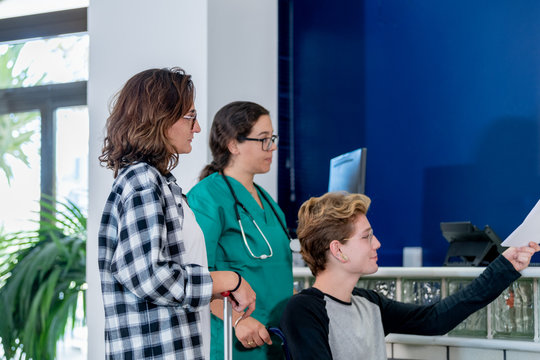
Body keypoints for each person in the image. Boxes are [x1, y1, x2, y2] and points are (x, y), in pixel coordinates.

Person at [98, 68, 256, 360]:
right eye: (190, 117)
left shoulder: (163, 184)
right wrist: (228, 280)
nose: (197, 128)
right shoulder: (143, 181)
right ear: (160, 118)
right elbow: (150, 277)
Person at [280, 192, 540, 360]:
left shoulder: (369, 303)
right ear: (338, 249)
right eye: (367, 236)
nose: (377, 244)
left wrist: (505, 266)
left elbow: (435, 319)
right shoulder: (303, 310)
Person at [187, 101, 293, 359]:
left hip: (276, 339)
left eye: (273, 138)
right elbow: (196, 276)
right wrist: (236, 320)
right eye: (264, 139)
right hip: (234, 341)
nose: (273, 147)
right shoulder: (206, 198)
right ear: (233, 144)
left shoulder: (267, 202)